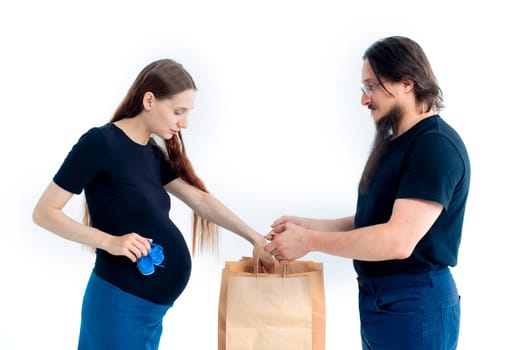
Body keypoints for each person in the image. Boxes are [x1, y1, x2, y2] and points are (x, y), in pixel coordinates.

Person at [32, 58, 274, 350]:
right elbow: (44, 212)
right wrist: (110, 241)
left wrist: (255, 239)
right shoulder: (100, 144)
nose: (184, 123)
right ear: (149, 100)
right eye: (178, 111)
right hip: (118, 306)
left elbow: (199, 200)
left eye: (187, 113)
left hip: (149, 313)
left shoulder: (151, 153)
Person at [265, 36, 470, 350]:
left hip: (414, 303)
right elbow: (377, 219)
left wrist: (309, 242)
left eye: (371, 86)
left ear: (406, 83)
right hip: (388, 304)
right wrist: (310, 225)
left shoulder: (434, 146)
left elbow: (398, 240)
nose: (364, 99)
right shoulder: (400, 142)